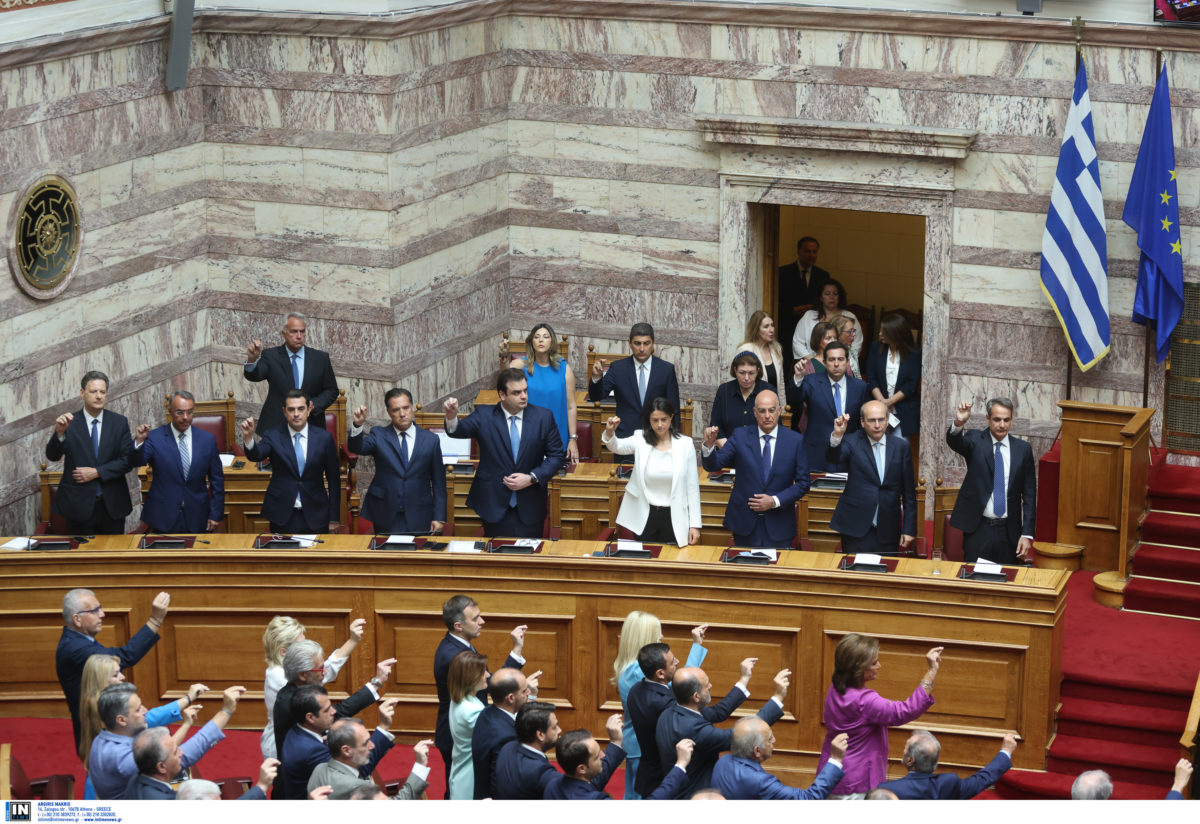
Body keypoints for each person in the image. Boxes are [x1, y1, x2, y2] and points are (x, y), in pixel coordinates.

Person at [442, 368, 564, 537]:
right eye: (516, 392)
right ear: (502, 395)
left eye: (525, 390)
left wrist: (532, 477)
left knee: (528, 552)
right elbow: (457, 431)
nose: (524, 396)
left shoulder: (543, 417)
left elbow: (556, 456)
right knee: (496, 551)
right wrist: (451, 417)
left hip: (530, 504)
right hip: (493, 503)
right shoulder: (484, 415)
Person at [818, 634, 943, 798]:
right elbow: (905, 710)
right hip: (856, 782)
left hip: (832, 771)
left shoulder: (835, 687)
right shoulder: (865, 701)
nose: (879, 665)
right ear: (859, 668)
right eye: (874, 663)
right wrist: (932, 671)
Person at [434, 594, 527, 796]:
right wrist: (516, 653)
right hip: (463, 733)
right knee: (464, 787)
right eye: (475, 618)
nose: (482, 621)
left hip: (463, 728)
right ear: (459, 626)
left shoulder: (459, 645)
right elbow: (492, 685)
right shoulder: (454, 655)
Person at [56, 587, 170, 751]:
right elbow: (126, 656)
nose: (102, 614)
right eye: (95, 611)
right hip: (98, 736)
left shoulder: (79, 640)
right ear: (77, 619)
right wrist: (155, 620)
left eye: (100, 608)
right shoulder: (76, 649)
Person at [655, 662, 790, 799]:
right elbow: (747, 734)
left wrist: (744, 679)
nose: (710, 686)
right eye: (706, 685)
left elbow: (719, 711)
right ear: (696, 696)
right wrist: (778, 696)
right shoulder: (696, 730)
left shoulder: (669, 713)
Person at [89, 683, 245, 800]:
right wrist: (226, 711)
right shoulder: (124, 760)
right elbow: (185, 754)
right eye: (138, 709)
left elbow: (156, 725)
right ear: (121, 720)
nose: (145, 711)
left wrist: (188, 700)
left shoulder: (103, 737)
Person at [77, 654, 205, 793]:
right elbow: (161, 748)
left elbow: (150, 718)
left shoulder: (97, 703)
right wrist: (187, 719)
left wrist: (188, 699)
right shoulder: (107, 711)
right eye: (115, 674)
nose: (122, 677)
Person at [612, 615, 707, 799]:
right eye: (657, 634)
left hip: (635, 743)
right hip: (644, 746)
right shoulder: (637, 671)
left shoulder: (627, 667)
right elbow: (682, 685)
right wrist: (696, 645)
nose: (661, 636)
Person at [701, 390, 810, 548]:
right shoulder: (740, 436)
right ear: (754, 412)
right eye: (762, 411)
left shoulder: (795, 441)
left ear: (779, 411)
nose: (767, 416)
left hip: (779, 524)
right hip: (744, 522)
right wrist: (709, 446)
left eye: (771, 410)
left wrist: (774, 501)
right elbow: (714, 465)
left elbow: (803, 483)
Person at [628, 642, 731, 798]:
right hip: (664, 777)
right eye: (672, 662)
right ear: (660, 674)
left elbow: (684, 682)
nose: (677, 662)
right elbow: (714, 714)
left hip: (648, 772)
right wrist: (742, 683)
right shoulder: (665, 704)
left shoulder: (636, 690)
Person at [271, 639, 394, 762]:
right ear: (303, 675)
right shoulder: (291, 703)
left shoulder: (300, 687)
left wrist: (377, 682)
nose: (325, 672)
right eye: (320, 668)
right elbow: (338, 713)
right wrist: (383, 726)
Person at [260, 615, 364, 759]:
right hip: (283, 746)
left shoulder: (290, 671)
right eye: (301, 645)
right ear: (284, 652)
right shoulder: (279, 677)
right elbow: (325, 673)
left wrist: (353, 640)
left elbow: (324, 670)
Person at [947, 397, 1036, 564]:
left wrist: (1026, 533)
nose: (1002, 425)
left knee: (1007, 577)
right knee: (975, 577)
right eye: (997, 419)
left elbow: (1029, 495)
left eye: (1006, 420)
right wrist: (959, 422)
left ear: (1011, 419)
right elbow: (955, 442)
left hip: (1010, 532)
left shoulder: (1023, 450)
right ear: (987, 419)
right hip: (979, 530)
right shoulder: (975, 440)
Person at [45, 371, 134, 535]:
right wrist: (59, 433)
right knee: (81, 552)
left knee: (113, 551)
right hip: (78, 506)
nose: (99, 396)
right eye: (93, 391)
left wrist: (97, 472)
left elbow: (127, 461)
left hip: (112, 505)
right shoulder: (69, 422)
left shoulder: (119, 422)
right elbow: (52, 456)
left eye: (102, 392)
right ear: (82, 393)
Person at [241, 389, 341, 534]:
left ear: (309, 409)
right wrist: (249, 439)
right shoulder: (273, 435)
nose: (296, 414)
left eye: (301, 409)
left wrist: (334, 518)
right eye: (291, 409)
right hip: (282, 514)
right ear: (284, 411)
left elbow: (334, 480)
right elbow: (256, 455)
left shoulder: (324, 438)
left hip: (316, 513)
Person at [602, 399, 701, 546]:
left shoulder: (685, 444)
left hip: (674, 515)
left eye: (664, 419)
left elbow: (692, 487)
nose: (660, 425)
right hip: (645, 514)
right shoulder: (640, 439)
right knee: (646, 557)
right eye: (655, 420)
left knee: (672, 558)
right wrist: (610, 432)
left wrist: (695, 524)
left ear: (671, 418)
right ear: (649, 420)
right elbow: (617, 446)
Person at [348, 388, 446, 533]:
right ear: (389, 412)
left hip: (419, 512)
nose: (402, 414)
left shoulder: (431, 440)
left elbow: (439, 482)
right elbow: (357, 448)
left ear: (412, 407)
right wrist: (357, 426)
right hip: (385, 511)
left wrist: (439, 517)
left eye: (406, 408)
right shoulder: (379, 435)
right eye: (396, 410)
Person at [827, 400, 917, 555]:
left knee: (885, 568)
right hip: (855, 525)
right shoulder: (851, 441)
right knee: (855, 569)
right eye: (872, 420)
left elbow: (909, 493)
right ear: (862, 422)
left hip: (888, 527)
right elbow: (834, 458)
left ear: (887, 420)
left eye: (881, 420)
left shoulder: (901, 447)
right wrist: (837, 436)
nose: (877, 425)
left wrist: (909, 529)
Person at [279, 686, 398, 800]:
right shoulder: (310, 750)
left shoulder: (300, 730)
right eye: (327, 710)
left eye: (331, 706)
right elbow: (359, 767)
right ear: (310, 717)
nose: (334, 711)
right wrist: (384, 726)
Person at [131, 390, 225, 533]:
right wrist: (139, 442)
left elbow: (217, 480)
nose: (185, 417)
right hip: (163, 516)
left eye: (189, 412)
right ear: (170, 411)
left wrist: (215, 514)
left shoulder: (207, 440)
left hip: (198, 516)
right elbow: (137, 461)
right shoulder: (154, 437)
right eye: (180, 412)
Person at [492, 704, 620, 800]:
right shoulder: (542, 774)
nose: (559, 730)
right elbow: (579, 791)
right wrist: (616, 743)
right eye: (554, 727)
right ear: (540, 735)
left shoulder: (508, 747)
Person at [243, 311, 339, 435]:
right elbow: (255, 376)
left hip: (311, 425)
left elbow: (332, 390)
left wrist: (313, 404)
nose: (299, 336)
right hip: (276, 426)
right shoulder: (271, 356)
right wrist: (251, 360)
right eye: (294, 331)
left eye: (302, 331)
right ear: (283, 333)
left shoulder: (320, 358)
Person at [588, 323, 681, 448]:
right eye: (637, 343)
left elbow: (674, 410)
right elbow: (596, 396)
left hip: (657, 439)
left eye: (646, 343)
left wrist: (673, 442)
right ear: (630, 343)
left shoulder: (666, 370)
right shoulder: (618, 368)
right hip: (625, 439)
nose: (642, 349)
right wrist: (597, 377)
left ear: (653, 343)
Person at [787, 340, 870, 473]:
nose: (836, 364)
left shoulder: (860, 387)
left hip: (848, 452)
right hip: (817, 451)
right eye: (831, 359)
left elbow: (863, 422)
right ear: (824, 363)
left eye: (840, 359)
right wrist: (798, 377)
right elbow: (794, 399)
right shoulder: (811, 381)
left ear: (847, 362)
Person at [712, 718, 846, 800]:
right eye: (770, 739)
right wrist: (835, 759)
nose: (774, 740)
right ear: (757, 751)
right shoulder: (759, 782)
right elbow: (808, 799)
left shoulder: (722, 761)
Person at [544, 728, 696, 799]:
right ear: (582, 768)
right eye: (597, 756)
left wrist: (616, 742)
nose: (603, 756)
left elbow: (593, 782)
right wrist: (680, 765)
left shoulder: (553, 785)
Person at [126, 729, 277, 800]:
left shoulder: (137, 779)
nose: (182, 753)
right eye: (175, 752)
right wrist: (261, 786)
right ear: (161, 767)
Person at [508, 322, 581, 465]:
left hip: (556, 435)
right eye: (537, 337)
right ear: (531, 342)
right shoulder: (521, 365)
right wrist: (504, 357)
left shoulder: (564, 368)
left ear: (552, 342)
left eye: (546, 337)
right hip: (528, 435)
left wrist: (573, 439)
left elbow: (571, 406)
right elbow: (504, 376)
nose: (541, 340)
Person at [308, 719, 432, 800]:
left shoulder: (319, 769)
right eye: (365, 743)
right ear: (346, 750)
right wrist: (420, 765)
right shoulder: (358, 787)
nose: (372, 746)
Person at [877, 730, 1017, 799]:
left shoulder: (887, 791)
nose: (903, 750)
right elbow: (982, 779)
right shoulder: (948, 784)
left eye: (905, 747)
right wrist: (1006, 751)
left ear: (910, 760)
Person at [867, 312, 922, 469]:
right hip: (879, 410)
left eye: (884, 332)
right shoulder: (876, 348)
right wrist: (882, 403)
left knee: (900, 453)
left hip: (902, 411)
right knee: (874, 452)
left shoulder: (914, 354)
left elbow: (911, 384)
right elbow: (871, 378)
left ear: (897, 334)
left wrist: (890, 402)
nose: (880, 334)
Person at [470, 668, 536, 799]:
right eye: (525, 691)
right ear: (511, 698)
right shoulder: (507, 738)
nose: (529, 693)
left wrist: (532, 697)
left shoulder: (488, 712)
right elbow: (506, 785)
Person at [777, 236, 831, 361]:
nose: (811, 255)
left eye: (814, 252)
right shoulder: (783, 273)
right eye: (807, 251)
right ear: (798, 252)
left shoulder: (823, 275)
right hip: (787, 327)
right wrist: (792, 310)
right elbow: (774, 302)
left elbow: (826, 303)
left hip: (812, 329)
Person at [708, 352, 773, 447]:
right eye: (742, 373)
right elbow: (716, 428)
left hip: (760, 452)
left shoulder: (768, 391)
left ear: (758, 371)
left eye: (751, 373)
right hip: (728, 451)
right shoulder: (724, 391)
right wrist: (731, 452)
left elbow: (774, 429)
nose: (746, 378)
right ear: (735, 370)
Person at [447, 650, 488, 799]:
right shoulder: (471, 710)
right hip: (469, 781)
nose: (488, 675)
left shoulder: (462, 699)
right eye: (483, 672)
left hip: (461, 772)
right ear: (471, 677)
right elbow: (500, 732)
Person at [792, 278, 862, 362]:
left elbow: (857, 345)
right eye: (827, 294)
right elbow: (797, 343)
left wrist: (841, 362)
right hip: (812, 363)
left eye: (835, 293)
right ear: (821, 297)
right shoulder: (809, 316)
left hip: (843, 365)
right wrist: (815, 362)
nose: (831, 297)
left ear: (839, 296)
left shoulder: (850, 316)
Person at [734, 310, 784, 392]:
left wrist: (782, 401)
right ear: (756, 330)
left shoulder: (776, 349)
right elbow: (738, 383)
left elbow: (781, 384)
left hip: (774, 399)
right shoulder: (745, 350)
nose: (772, 330)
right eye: (766, 326)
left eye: (772, 325)